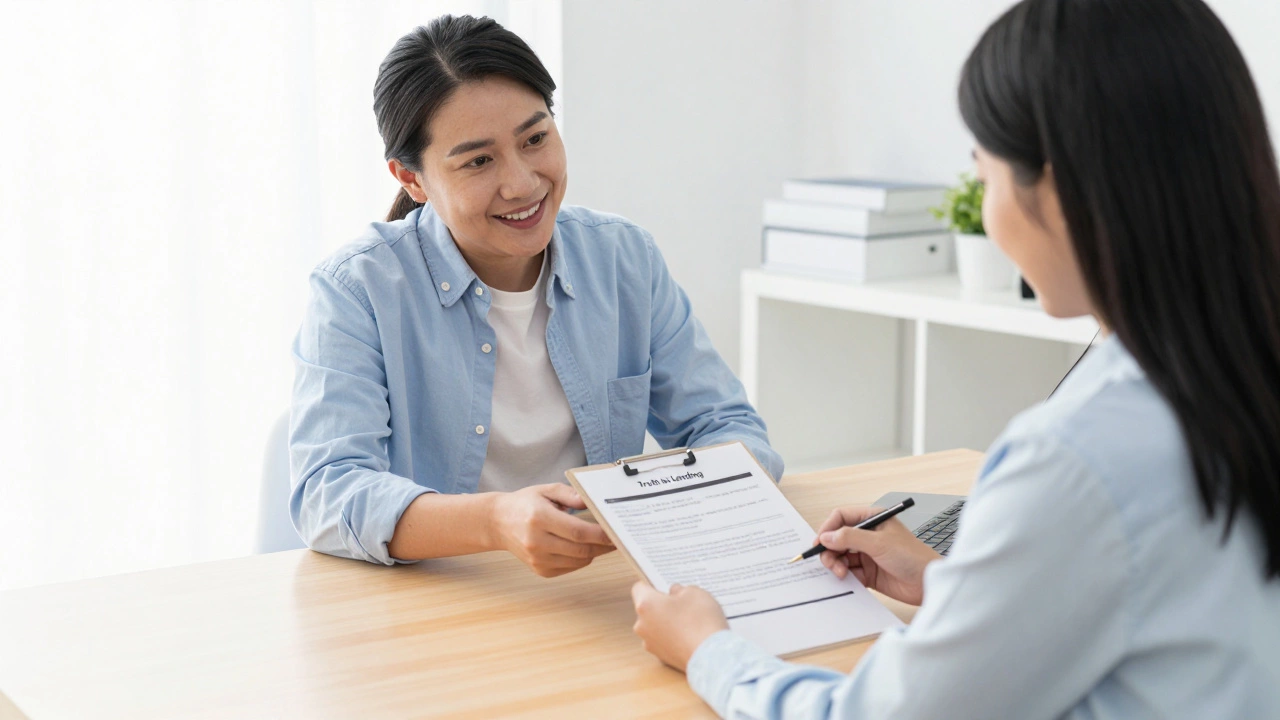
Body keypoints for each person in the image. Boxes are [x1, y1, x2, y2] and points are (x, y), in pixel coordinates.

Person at [630, 0, 1280, 716]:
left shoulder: (1077, 455)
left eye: (984, 173)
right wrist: (956, 587)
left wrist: (708, 650)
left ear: (1057, 191)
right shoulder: (1237, 375)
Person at [290, 15, 781, 577]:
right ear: (412, 179)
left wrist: (669, 510)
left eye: (535, 139)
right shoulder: (357, 290)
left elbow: (727, 426)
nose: (522, 183)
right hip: (440, 594)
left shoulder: (623, 258)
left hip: (596, 589)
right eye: (478, 161)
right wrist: (495, 522)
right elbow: (328, 492)